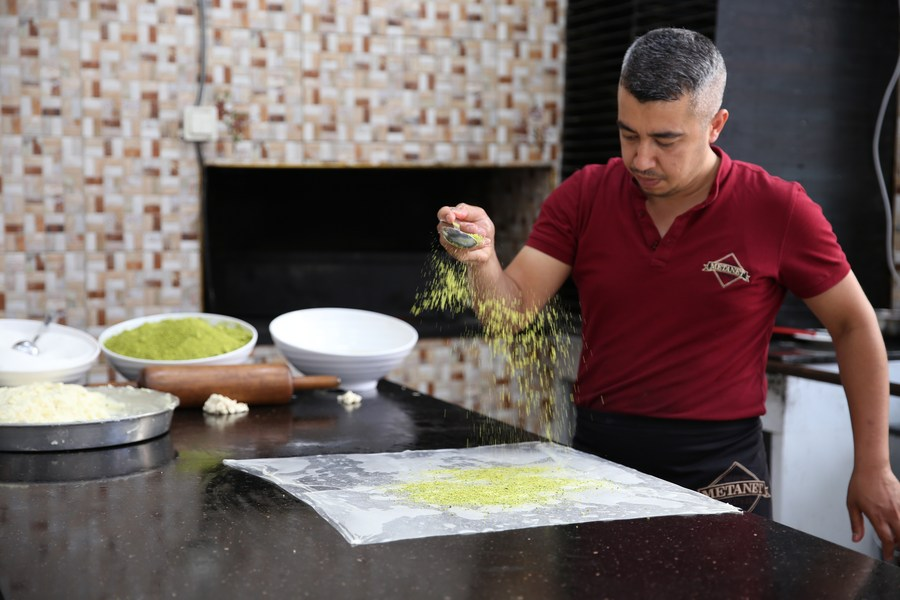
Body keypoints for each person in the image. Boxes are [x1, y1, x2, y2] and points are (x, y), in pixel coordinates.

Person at [436, 27, 900, 560]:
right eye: (628, 134)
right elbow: (510, 313)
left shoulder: (778, 208)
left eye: (665, 140)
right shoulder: (584, 195)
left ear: (715, 125)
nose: (641, 159)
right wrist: (483, 260)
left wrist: (873, 465)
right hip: (599, 457)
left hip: (721, 469)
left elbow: (853, 324)